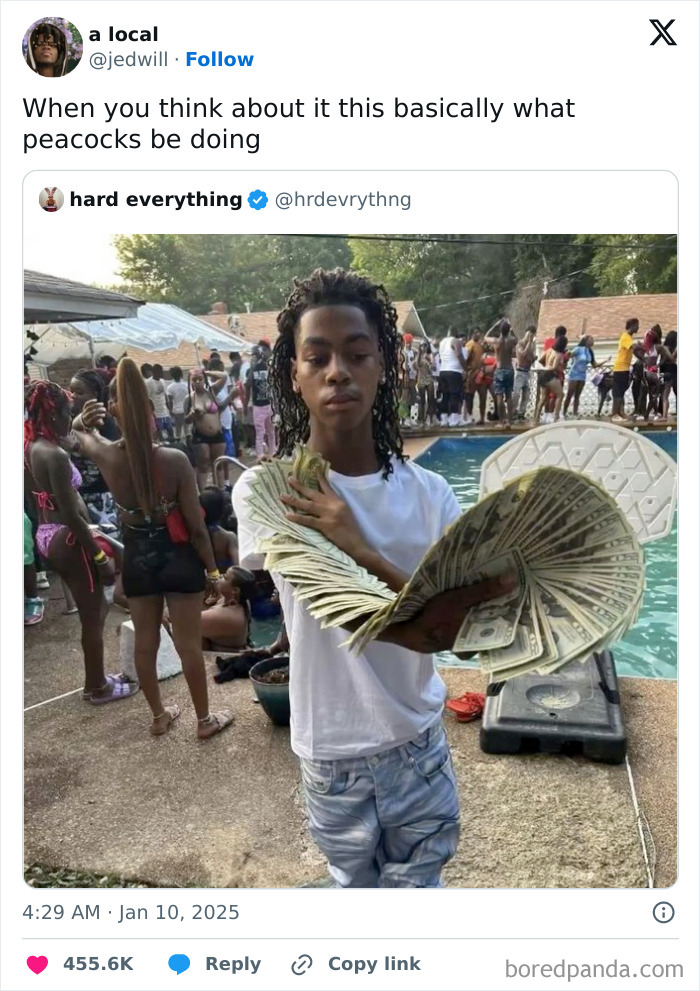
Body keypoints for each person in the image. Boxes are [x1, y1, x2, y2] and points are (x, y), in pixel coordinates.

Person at [233, 268, 509, 888]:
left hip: (414, 740)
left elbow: (455, 634)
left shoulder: (431, 494)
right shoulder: (268, 492)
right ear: (295, 377)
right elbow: (421, 621)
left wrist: (355, 542)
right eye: (318, 357)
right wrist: (427, 599)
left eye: (357, 354)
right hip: (329, 747)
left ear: (382, 367)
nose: (338, 371)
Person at [73, 358, 234, 739]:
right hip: (179, 558)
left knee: (146, 642)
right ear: (150, 408)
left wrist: (83, 420)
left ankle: (160, 716)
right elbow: (196, 529)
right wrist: (213, 572)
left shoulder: (107, 454)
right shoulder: (175, 460)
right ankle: (203, 720)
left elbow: (78, 433)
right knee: (188, 645)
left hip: (138, 559)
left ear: (114, 409)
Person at [24, 381, 133, 703]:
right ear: (53, 413)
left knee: (95, 609)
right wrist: (99, 557)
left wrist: (80, 422)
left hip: (47, 535)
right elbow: (72, 515)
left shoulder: (33, 446)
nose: (68, 417)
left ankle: (97, 679)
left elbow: (72, 440)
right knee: (94, 613)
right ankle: (97, 686)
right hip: (69, 537)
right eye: (66, 412)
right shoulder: (55, 455)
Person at [69, 369, 121, 532]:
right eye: (71, 391)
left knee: (109, 546)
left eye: (79, 392)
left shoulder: (105, 422)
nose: (73, 396)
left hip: (102, 496)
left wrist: (77, 446)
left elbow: (111, 456)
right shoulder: (69, 419)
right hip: (79, 496)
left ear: (95, 394)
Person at [186, 367, 229, 492]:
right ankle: (204, 495)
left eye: (200, 379)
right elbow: (186, 420)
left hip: (217, 434)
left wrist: (207, 372)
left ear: (204, 379)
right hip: (201, 435)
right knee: (203, 465)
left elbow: (224, 376)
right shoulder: (190, 398)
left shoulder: (212, 391)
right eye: (195, 379)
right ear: (191, 382)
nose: (198, 382)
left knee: (219, 464)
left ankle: (221, 491)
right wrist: (192, 415)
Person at [246, 341, 276, 457]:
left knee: (271, 431)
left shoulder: (270, 367)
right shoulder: (252, 370)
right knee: (260, 432)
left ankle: (273, 451)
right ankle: (260, 454)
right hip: (258, 405)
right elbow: (247, 385)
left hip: (269, 404)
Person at [611, 318, 645, 421]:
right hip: (620, 368)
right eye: (637, 325)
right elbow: (634, 347)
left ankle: (620, 413)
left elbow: (634, 352)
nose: (638, 327)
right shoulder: (625, 337)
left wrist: (644, 359)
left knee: (621, 392)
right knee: (618, 392)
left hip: (624, 368)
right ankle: (615, 415)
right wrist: (642, 346)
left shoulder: (629, 338)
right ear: (633, 325)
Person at [534, 336, 567, 424]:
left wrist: (545, 367)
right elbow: (555, 367)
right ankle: (556, 418)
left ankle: (536, 419)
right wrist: (561, 369)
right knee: (560, 395)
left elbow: (541, 360)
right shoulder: (559, 354)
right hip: (550, 375)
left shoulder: (549, 350)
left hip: (542, 374)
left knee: (544, 398)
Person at [438, 330, 468, 426]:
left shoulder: (442, 342)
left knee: (445, 396)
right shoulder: (456, 341)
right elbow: (458, 355)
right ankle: (454, 419)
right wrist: (465, 368)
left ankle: (444, 419)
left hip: (443, 371)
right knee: (455, 395)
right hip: (454, 371)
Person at [563, 335, 598, 417]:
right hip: (574, 373)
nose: (593, 340)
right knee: (570, 394)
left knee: (577, 395)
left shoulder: (590, 352)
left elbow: (595, 364)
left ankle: (575, 413)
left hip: (582, 375)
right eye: (591, 339)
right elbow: (569, 355)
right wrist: (568, 353)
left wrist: (605, 361)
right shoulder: (578, 349)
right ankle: (564, 412)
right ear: (586, 341)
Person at [492, 319, 517, 425]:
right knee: (509, 396)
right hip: (509, 369)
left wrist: (495, 325)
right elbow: (517, 338)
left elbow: (485, 337)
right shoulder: (511, 341)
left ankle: (502, 421)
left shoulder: (496, 341)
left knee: (499, 397)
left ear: (500, 330)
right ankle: (509, 421)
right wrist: (511, 329)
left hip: (500, 370)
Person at [513, 326, 537, 419]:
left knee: (526, 394)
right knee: (516, 393)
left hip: (527, 372)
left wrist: (533, 358)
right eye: (529, 334)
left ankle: (521, 413)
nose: (531, 336)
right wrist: (529, 343)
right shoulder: (521, 344)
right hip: (520, 372)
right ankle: (513, 412)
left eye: (533, 334)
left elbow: (530, 358)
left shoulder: (531, 346)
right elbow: (522, 354)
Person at [147, 365, 174, 442]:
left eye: (161, 371)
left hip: (165, 411)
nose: (160, 373)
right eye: (158, 372)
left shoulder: (162, 381)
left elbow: (165, 396)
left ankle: (172, 445)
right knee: (160, 432)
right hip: (156, 413)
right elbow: (147, 399)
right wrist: (151, 413)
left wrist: (170, 409)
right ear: (153, 372)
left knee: (170, 430)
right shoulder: (149, 383)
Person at [461, 330, 484, 423]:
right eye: (475, 333)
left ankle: (481, 418)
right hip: (471, 374)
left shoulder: (480, 345)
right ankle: (469, 416)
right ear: (472, 335)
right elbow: (465, 359)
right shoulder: (469, 345)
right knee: (469, 395)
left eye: (479, 332)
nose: (477, 334)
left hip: (480, 374)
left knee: (482, 395)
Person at [165, 366, 189, 440]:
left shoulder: (170, 388)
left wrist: (170, 411)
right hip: (186, 409)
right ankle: (189, 446)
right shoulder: (186, 385)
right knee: (187, 430)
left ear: (172, 375)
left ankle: (178, 444)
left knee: (178, 430)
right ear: (181, 374)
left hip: (176, 411)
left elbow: (170, 401)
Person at [658, 330, 677, 421]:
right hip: (670, 370)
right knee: (665, 394)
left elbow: (663, 361)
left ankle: (664, 415)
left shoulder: (664, 347)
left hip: (665, 370)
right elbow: (672, 358)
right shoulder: (667, 348)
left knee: (665, 395)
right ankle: (663, 415)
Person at [400, 333, 419, 425]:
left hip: (412, 376)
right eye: (407, 342)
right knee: (405, 397)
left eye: (410, 342)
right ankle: (404, 418)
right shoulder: (402, 352)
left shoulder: (413, 352)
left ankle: (410, 417)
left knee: (413, 397)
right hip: (405, 377)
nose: (409, 344)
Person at [415, 341, 435, 426]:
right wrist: (420, 353)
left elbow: (434, 367)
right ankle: (421, 420)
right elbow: (418, 364)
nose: (424, 347)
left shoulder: (430, 355)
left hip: (429, 378)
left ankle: (430, 419)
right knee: (422, 400)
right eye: (423, 346)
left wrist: (431, 363)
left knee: (431, 399)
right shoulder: (418, 356)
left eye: (426, 345)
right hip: (421, 378)